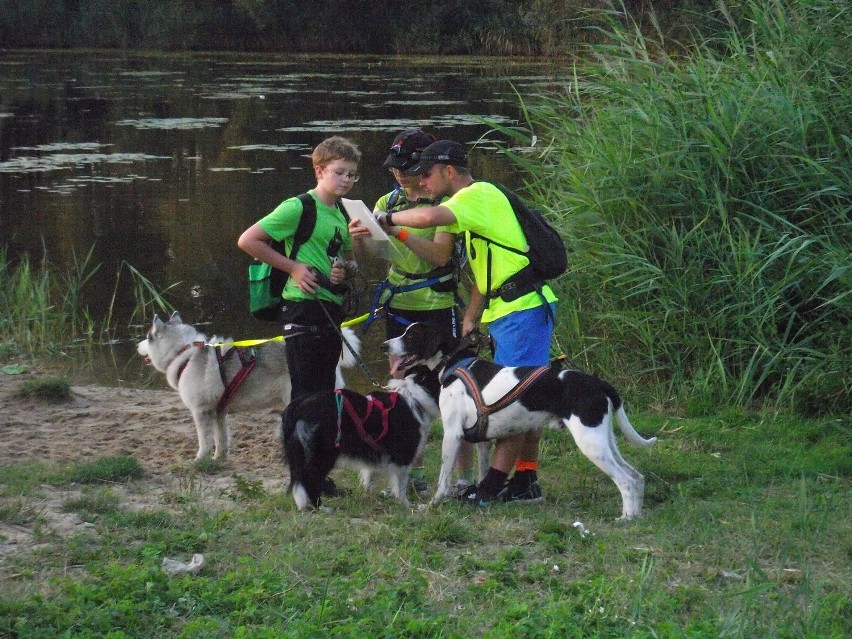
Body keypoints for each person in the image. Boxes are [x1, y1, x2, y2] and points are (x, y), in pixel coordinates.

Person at [376, 140, 558, 506]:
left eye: (427, 174)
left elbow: (428, 218)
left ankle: (492, 488)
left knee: (514, 400)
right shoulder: (476, 210)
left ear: (449, 171)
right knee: (523, 394)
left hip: (522, 311)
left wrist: (388, 220)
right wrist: (472, 315)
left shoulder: (478, 194)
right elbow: (484, 274)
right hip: (507, 311)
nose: (422, 182)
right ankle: (523, 479)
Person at [349, 128, 474, 495]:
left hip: (437, 305)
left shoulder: (443, 205)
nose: (399, 175)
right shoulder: (386, 201)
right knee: (404, 390)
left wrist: (399, 232)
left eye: (406, 167)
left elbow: (439, 255)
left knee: (456, 391)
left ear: (427, 166)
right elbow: (372, 256)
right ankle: (411, 472)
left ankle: (464, 479)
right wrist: (360, 239)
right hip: (398, 303)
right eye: (393, 168)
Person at [238, 135, 361, 496]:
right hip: (302, 310)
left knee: (325, 396)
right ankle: (301, 479)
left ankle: (317, 476)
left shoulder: (343, 213)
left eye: (352, 175)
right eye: (339, 172)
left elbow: (349, 261)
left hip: (330, 309)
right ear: (319, 170)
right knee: (306, 398)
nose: (346, 180)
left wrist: (345, 270)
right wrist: (292, 268)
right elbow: (249, 240)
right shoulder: (298, 207)